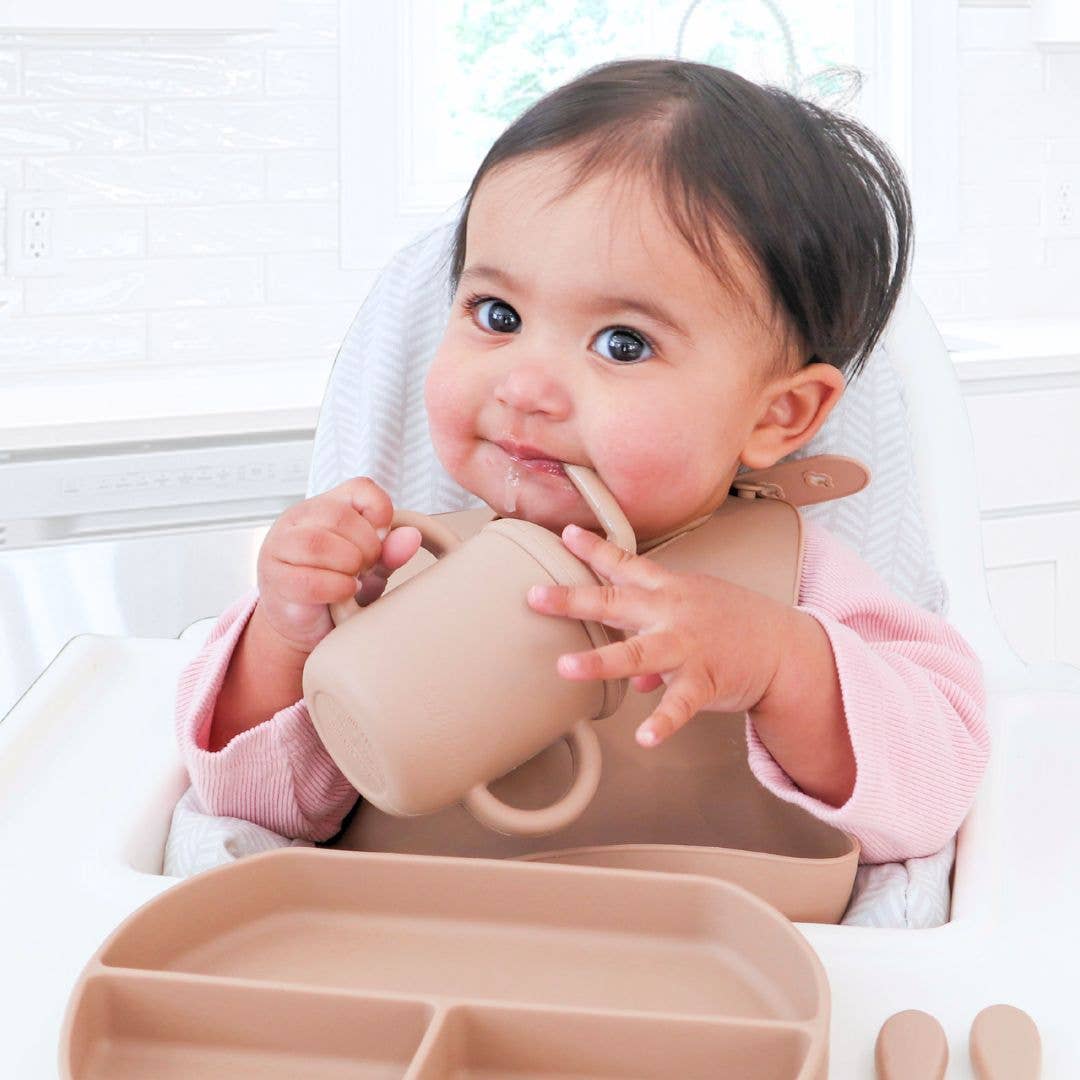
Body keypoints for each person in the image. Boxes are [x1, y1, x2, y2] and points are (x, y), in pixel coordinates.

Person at [176, 58, 988, 865]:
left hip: (716, 941)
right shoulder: (393, 571)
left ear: (778, 416)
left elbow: (939, 795)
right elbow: (253, 815)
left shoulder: (799, 582)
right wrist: (286, 638)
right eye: (498, 315)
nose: (526, 388)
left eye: (622, 344)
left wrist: (783, 665)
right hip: (423, 930)